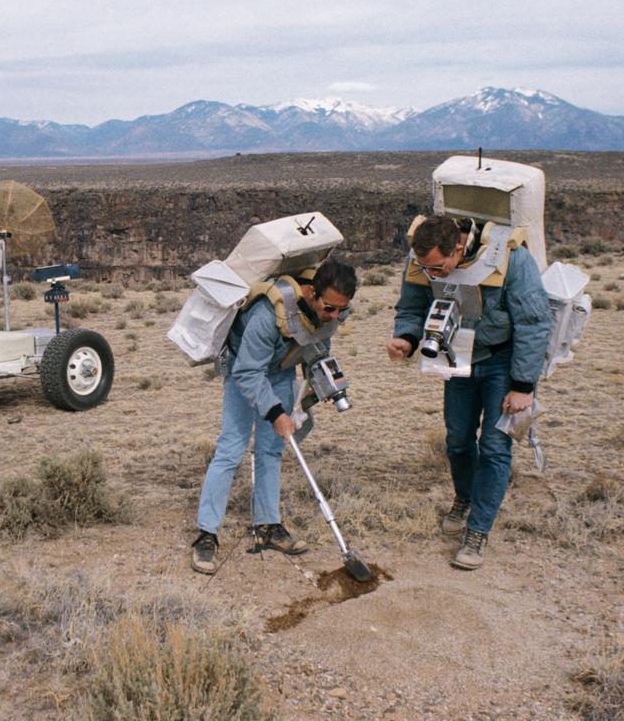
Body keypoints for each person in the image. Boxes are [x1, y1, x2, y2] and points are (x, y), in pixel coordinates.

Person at [386, 216, 550, 570]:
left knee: (493, 445)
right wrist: (407, 338)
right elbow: (413, 308)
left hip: (503, 359)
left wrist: (523, 385)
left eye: (439, 266)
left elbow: (534, 322)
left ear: (458, 249)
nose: (434, 275)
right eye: (426, 268)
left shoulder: (511, 259)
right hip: (458, 352)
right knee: (458, 439)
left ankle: (477, 531)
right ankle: (465, 496)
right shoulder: (421, 262)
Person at [191, 258, 358, 575]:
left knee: (271, 449)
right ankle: (206, 534)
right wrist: (276, 412)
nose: (335, 316)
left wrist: (315, 385)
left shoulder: (329, 314)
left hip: (281, 373)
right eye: (329, 308)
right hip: (243, 369)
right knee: (231, 448)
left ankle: (267, 525)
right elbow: (247, 372)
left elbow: (316, 348)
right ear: (311, 293)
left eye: (341, 310)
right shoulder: (268, 315)